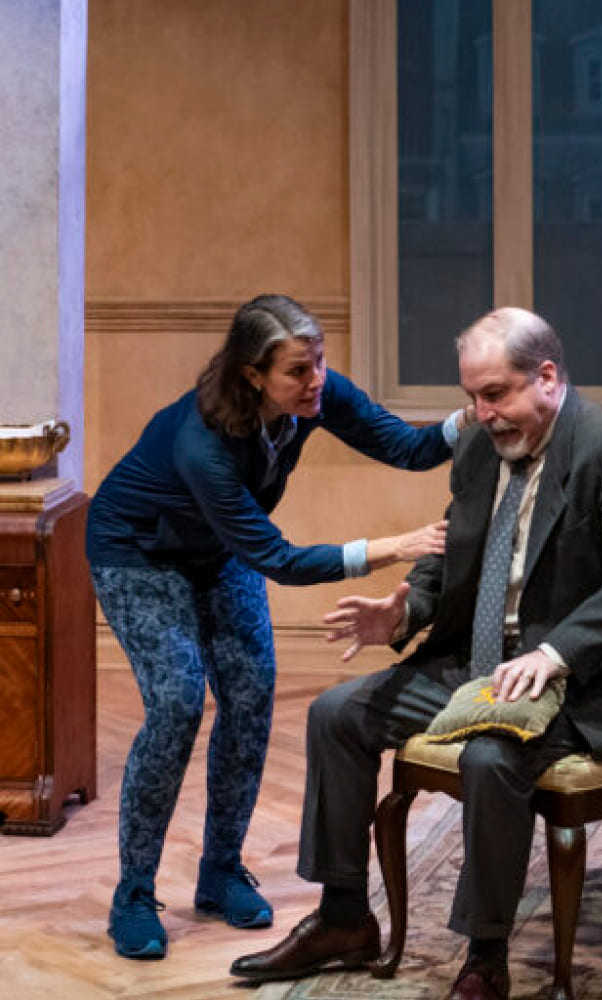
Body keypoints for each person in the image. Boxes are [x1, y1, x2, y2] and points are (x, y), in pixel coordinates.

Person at [229, 307, 602, 1000]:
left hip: (579, 677)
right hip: (476, 659)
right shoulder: (477, 447)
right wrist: (404, 609)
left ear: (548, 378)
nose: (482, 413)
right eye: (471, 396)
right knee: (336, 714)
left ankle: (485, 952)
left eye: (495, 394)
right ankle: (345, 916)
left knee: (490, 756)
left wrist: (557, 652)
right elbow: (455, 552)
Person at [88, 293, 459, 960]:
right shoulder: (201, 443)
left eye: (318, 362)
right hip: (137, 551)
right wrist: (390, 547)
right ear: (251, 374)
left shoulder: (317, 395)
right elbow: (278, 559)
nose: (315, 379)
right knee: (175, 701)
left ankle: (221, 870)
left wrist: (483, 412)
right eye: (297, 370)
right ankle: (134, 894)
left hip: (217, 550)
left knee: (252, 691)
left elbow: (408, 448)